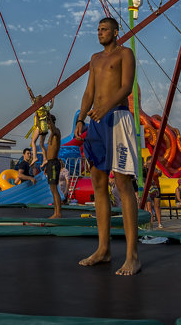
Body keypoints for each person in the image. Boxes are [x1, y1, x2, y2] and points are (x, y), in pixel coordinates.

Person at [74, 17, 140, 276]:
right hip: (96, 122)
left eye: (104, 29)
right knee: (98, 183)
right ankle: (103, 249)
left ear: (115, 31)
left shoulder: (125, 53)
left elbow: (126, 87)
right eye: (98, 30)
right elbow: (89, 92)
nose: (100, 33)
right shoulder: (94, 59)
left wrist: (106, 107)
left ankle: (133, 256)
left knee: (123, 184)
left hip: (117, 117)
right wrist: (81, 117)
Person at [26, 90, 54, 166]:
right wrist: (53, 100)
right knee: (41, 144)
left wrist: (30, 91)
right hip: (45, 127)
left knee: (33, 142)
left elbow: (32, 99)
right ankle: (45, 159)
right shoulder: (45, 107)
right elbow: (51, 106)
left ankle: (34, 157)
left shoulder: (37, 108)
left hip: (40, 126)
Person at [45, 114, 62, 219]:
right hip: (50, 163)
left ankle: (58, 213)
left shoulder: (56, 132)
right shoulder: (51, 134)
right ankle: (56, 212)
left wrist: (48, 116)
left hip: (54, 163)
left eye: (48, 123)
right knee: (52, 189)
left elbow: (53, 127)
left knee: (54, 189)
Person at [144, 157, 163, 228]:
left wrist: (160, 173)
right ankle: (150, 224)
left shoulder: (155, 168)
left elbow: (159, 174)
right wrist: (145, 165)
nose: (151, 163)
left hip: (156, 188)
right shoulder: (145, 169)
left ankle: (159, 223)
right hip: (149, 188)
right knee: (148, 207)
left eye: (152, 162)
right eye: (149, 162)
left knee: (157, 206)